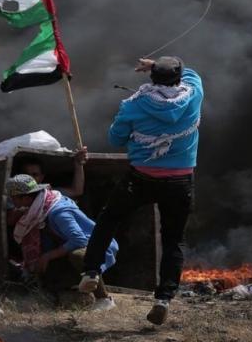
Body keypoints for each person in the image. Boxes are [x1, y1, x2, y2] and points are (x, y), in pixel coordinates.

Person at [80, 56, 203, 325]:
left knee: (108, 219)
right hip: (180, 183)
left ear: (152, 78)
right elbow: (192, 73)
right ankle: (163, 299)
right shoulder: (194, 93)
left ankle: (90, 271)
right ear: (179, 77)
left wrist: (133, 117)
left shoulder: (134, 105)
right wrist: (158, 63)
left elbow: (116, 139)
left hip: (142, 179)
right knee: (173, 240)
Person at [5, 173, 119, 311]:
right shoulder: (40, 210)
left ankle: (104, 299)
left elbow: (79, 240)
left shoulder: (58, 212)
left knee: (78, 255)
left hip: (97, 247)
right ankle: (76, 293)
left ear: (26, 198)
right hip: (71, 246)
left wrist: (47, 256)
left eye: (13, 198)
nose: (12, 201)